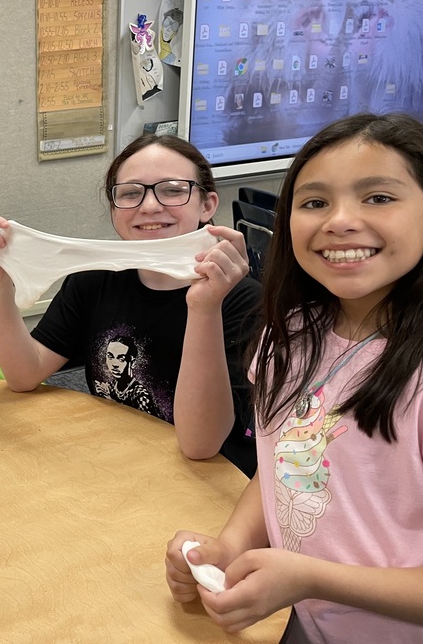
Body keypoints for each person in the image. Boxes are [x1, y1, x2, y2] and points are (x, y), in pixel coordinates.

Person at [165, 114, 423, 643]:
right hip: (302, 619)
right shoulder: (289, 336)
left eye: (378, 197)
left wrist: (309, 576)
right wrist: (233, 543)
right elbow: (285, 462)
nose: (340, 220)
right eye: (314, 202)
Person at [0, 135, 261, 476]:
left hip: (207, 481)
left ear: (207, 204)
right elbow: (24, 374)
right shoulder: (94, 280)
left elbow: (200, 446)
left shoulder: (244, 300)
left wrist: (204, 308)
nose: (149, 206)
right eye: (130, 193)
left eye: (172, 189)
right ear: (113, 209)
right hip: (117, 464)